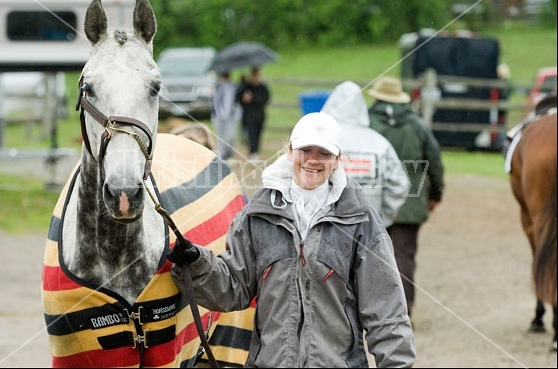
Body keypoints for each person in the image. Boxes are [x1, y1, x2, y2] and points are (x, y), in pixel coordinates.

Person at [167, 111, 416, 368]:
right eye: (305, 150)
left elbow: (387, 314)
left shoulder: (361, 221)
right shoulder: (257, 215)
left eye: (324, 153)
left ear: (337, 159)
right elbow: (234, 288)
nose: (313, 160)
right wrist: (197, 265)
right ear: (289, 151)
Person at [368, 76, 445, 317]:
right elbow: (434, 162)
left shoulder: (367, 123)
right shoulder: (416, 124)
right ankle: (403, 312)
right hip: (410, 202)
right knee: (403, 257)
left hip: (373, 201)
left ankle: (372, 311)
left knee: (370, 256)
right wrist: (435, 194)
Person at [321, 80, 409, 229]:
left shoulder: (319, 140)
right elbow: (399, 184)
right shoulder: (379, 143)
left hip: (323, 224)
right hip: (367, 225)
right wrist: (382, 218)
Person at [236, 66, 270, 162]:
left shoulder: (262, 87)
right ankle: (252, 152)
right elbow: (239, 98)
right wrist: (241, 83)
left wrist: (252, 98)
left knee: (258, 134)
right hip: (249, 116)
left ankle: (255, 152)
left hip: (259, 115)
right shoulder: (246, 86)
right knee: (251, 134)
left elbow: (265, 99)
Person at [211, 70, 241, 160]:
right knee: (220, 136)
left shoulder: (233, 86)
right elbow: (215, 101)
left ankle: (229, 153)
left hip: (230, 116)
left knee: (231, 135)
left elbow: (236, 101)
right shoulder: (218, 86)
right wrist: (220, 113)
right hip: (219, 116)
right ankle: (221, 155)